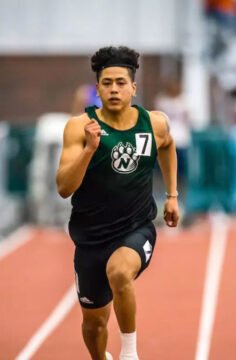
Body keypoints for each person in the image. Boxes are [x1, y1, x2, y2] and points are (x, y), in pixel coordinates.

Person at [56, 46, 179, 360]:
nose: (113, 89)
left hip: (135, 228)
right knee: (95, 325)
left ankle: (129, 353)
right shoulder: (77, 128)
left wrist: (172, 196)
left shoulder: (154, 123)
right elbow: (63, 188)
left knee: (120, 272)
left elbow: (167, 146)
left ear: (133, 87)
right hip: (90, 237)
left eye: (120, 83)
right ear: (97, 88)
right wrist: (89, 149)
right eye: (107, 83)